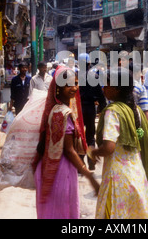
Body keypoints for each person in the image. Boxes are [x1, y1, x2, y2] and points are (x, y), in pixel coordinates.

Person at [89, 67, 148, 219]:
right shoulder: (136, 110)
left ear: (117, 89)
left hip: (118, 179)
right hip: (137, 177)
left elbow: (109, 147)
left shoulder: (112, 112)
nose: (104, 88)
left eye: (107, 85)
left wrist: (93, 151)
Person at [33, 66, 100, 219]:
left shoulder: (54, 109)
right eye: (69, 84)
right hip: (61, 171)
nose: (74, 88)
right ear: (58, 88)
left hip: (50, 167)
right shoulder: (63, 113)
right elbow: (69, 150)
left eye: (76, 83)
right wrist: (89, 176)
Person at [78, 53, 107, 171]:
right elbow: (100, 95)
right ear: (89, 63)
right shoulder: (94, 76)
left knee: (80, 135)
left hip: (79, 109)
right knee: (90, 135)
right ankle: (91, 161)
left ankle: (80, 163)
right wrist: (103, 108)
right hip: (90, 108)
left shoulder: (75, 76)